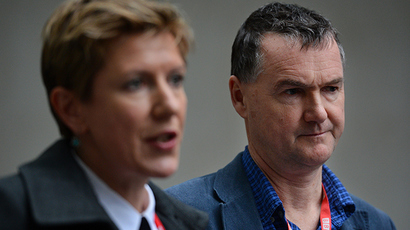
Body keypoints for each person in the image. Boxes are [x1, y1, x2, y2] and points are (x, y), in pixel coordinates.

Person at [166, 2, 395, 230]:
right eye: (293, 91)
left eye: (331, 89)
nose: (318, 112)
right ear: (239, 97)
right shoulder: (175, 217)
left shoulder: (378, 224)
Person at [0, 0, 208, 229]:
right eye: (136, 83)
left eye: (175, 79)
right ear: (71, 109)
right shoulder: (12, 213)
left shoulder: (192, 223)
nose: (170, 106)